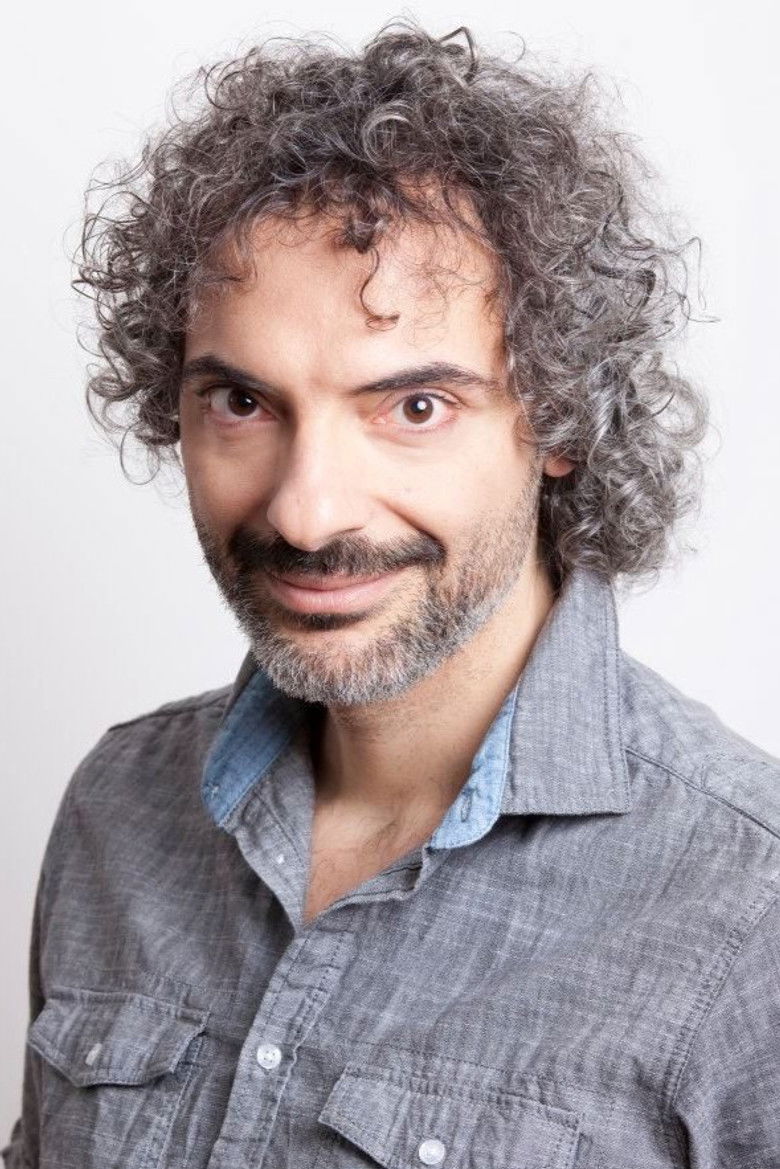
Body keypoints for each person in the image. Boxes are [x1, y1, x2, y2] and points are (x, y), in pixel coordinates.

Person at [4, 21, 778, 1169]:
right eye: (243, 403)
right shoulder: (117, 808)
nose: (308, 513)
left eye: (415, 407)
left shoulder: (751, 912)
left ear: (560, 420)